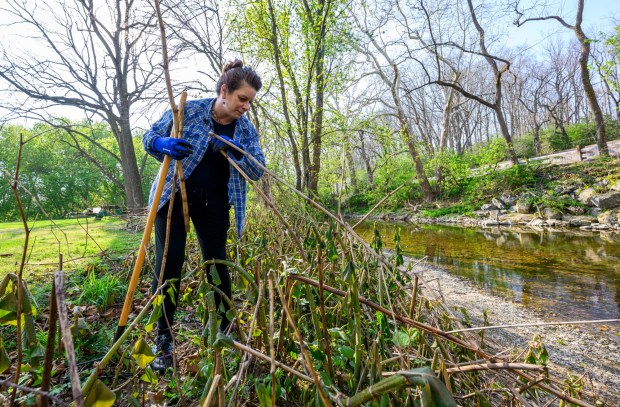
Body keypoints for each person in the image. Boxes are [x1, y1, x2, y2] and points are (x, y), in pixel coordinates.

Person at [142, 60, 265, 371]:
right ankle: (163, 341)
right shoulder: (189, 111)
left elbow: (258, 170)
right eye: (242, 98)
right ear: (224, 91)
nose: (246, 106)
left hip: (214, 204)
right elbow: (149, 138)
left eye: (250, 101)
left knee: (217, 266)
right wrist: (162, 143)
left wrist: (240, 152)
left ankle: (226, 334)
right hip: (172, 197)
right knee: (168, 266)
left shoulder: (245, 130)